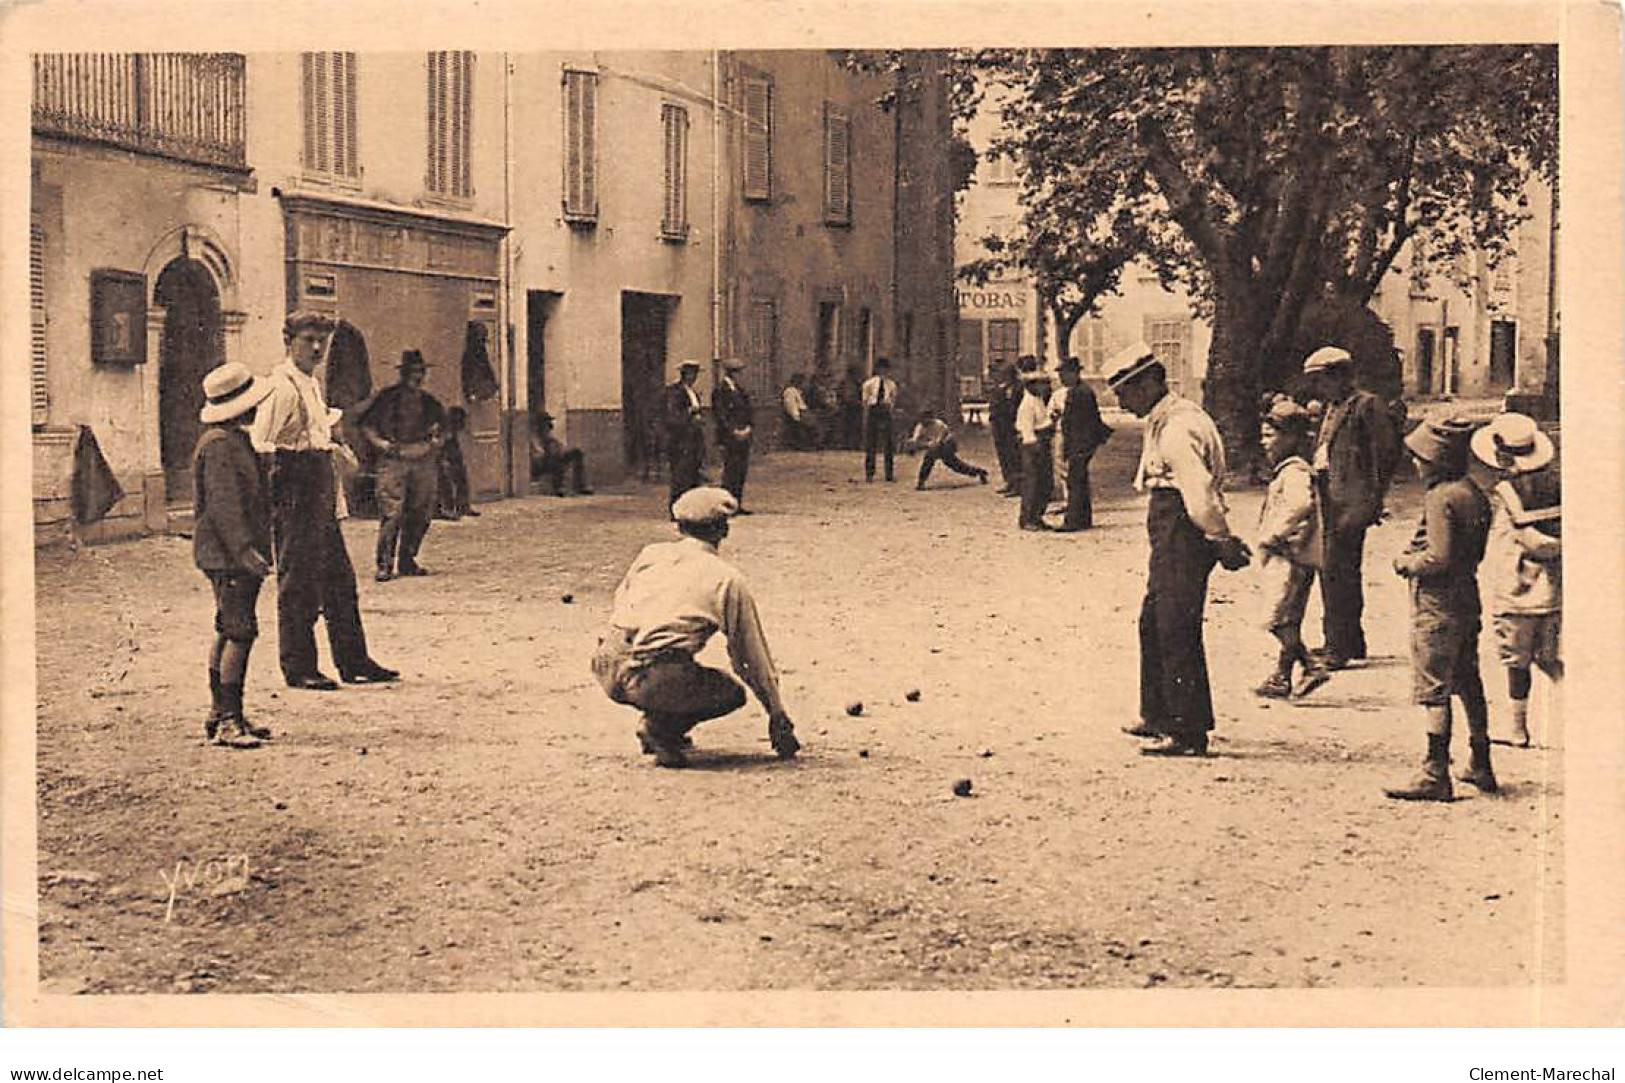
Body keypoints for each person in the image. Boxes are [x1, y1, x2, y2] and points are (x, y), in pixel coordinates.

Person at [1108, 342, 1251, 757]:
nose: (1122, 401)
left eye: (1127, 392)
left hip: (1183, 529)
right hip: (1170, 525)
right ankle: (1157, 713)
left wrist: (1218, 537)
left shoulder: (1178, 428)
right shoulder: (1166, 417)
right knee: (1152, 620)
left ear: (1152, 382)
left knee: (1176, 626)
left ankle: (1187, 730)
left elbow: (1198, 492)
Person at [591, 487, 801, 768]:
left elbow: (621, 602)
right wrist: (777, 715)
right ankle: (661, 728)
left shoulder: (651, 554)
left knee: (672, 662)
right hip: (653, 678)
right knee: (729, 692)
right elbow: (750, 658)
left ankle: (660, 720)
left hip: (606, 663)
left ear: (678, 527)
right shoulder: (726, 579)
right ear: (723, 530)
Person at [251, 311, 398, 691]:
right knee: (298, 581)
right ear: (289, 341)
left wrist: (334, 449)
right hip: (294, 486)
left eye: (322, 341)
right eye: (308, 340)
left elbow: (316, 432)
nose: (316, 348)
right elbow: (262, 445)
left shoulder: (311, 385)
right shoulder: (281, 387)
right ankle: (298, 666)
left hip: (319, 485)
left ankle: (353, 660)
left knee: (340, 580)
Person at [1385, 417, 1494, 801]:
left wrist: (1406, 564)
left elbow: (1438, 556)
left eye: (1420, 458)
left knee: (1433, 686)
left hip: (1438, 602)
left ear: (1436, 459)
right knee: (1468, 677)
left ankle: (1435, 771)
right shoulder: (1473, 493)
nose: (1415, 465)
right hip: (1468, 594)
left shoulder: (1440, 497)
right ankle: (1481, 760)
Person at [192, 362, 278, 749]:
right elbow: (225, 507)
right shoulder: (221, 447)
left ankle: (222, 712)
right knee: (240, 631)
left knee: (229, 627)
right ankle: (228, 720)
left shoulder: (232, 441)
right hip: (229, 555)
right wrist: (245, 551)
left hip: (230, 553)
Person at [1302, 345, 1402, 669]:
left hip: (1351, 501)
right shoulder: (1332, 407)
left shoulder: (1366, 406)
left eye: (1323, 379)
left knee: (1337, 571)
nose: (1320, 387)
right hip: (1328, 496)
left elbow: (1386, 452)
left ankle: (1338, 646)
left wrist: (1372, 497)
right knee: (1336, 570)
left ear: (1341, 376)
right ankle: (1348, 640)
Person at [1469, 413, 1561, 749]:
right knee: (1551, 657)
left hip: (1516, 586)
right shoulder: (1556, 485)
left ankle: (1518, 728)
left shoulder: (1506, 493)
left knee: (1516, 660)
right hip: (1553, 585)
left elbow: (1522, 537)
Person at [1253, 400, 1332, 699]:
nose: (1265, 443)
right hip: (1296, 555)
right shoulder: (1289, 470)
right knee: (1290, 615)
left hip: (1291, 555)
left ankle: (1310, 666)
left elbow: (1300, 505)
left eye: (1270, 436)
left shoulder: (1295, 472)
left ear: (1291, 438)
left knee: (1277, 617)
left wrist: (1275, 534)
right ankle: (1282, 676)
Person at [359, 350, 446, 581]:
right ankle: (385, 564)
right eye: (413, 372)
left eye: (421, 372)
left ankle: (407, 560)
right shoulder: (386, 399)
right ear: (403, 373)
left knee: (421, 513)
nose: (417, 376)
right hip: (394, 460)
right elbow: (367, 426)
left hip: (422, 460)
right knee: (392, 513)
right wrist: (382, 444)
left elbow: (444, 428)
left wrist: (436, 442)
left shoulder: (429, 402)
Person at [1055, 356, 1113, 531]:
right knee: (1079, 479)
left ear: (1074, 373)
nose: (1061, 378)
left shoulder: (1078, 393)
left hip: (1080, 442)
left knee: (1075, 481)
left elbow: (1081, 423)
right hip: (1081, 442)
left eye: (1064, 374)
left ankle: (1073, 521)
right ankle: (1083, 519)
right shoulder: (1082, 390)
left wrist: (1077, 447)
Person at [1014, 364, 1056, 531]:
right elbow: (1027, 431)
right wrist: (1035, 446)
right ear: (1031, 385)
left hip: (1041, 442)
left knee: (1045, 483)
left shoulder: (1038, 401)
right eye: (1041, 384)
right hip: (1032, 447)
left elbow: (1043, 422)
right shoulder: (1027, 405)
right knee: (1033, 482)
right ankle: (1028, 518)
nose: (1045, 387)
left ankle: (1037, 516)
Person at [906, 408, 989, 489]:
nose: (924, 422)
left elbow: (938, 441)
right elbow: (915, 439)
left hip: (946, 444)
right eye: (923, 420)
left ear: (931, 419)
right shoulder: (920, 426)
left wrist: (925, 445)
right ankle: (921, 481)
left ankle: (979, 472)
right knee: (928, 459)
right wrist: (913, 445)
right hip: (934, 445)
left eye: (926, 420)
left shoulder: (939, 425)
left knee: (955, 465)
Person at [712, 357, 755, 513]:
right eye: (738, 372)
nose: (741, 375)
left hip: (743, 434)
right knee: (730, 470)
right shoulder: (720, 391)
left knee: (741, 470)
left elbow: (748, 411)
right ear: (732, 373)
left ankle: (737, 502)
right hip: (730, 437)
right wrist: (733, 431)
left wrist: (748, 428)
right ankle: (727, 504)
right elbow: (721, 415)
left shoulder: (740, 390)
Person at [664, 360, 707, 512]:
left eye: (695, 374)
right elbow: (673, 417)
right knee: (680, 477)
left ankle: (690, 509)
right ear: (685, 375)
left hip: (694, 439)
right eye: (691, 374)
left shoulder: (693, 391)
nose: (694, 377)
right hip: (680, 440)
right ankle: (676, 509)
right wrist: (690, 413)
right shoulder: (675, 392)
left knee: (693, 476)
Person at [530, 410, 592, 497]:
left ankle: (582, 485)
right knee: (556, 461)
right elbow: (538, 453)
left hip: (551, 458)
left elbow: (558, 446)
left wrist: (560, 450)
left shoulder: (549, 436)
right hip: (540, 463)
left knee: (577, 453)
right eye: (546, 423)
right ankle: (559, 488)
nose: (548, 426)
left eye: (549, 423)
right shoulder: (534, 438)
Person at [435, 406, 479, 520]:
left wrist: (458, 464)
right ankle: (446, 509)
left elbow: (455, 452)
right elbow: (437, 448)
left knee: (461, 477)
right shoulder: (441, 430)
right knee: (444, 480)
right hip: (437, 460)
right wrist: (443, 461)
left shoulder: (452, 433)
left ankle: (463, 506)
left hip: (450, 456)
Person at [987, 360, 1023, 497]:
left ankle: (1017, 485)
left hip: (1010, 427)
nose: (999, 376)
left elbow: (1016, 408)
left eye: (1003, 373)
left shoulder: (1018, 388)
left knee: (1013, 456)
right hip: (999, 426)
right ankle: (1008, 481)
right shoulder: (999, 387)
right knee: (1003, 455)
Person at [860, 358, 900, 482]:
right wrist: (867, 414)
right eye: (881, 369)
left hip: (885, 410)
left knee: (888, 444)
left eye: (886, 369)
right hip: (873, 410)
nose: (884, 371)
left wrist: (889, 410)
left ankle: (889, 474)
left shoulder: (892, 385)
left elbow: (893, 400)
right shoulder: (869, 384)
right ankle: (869, 473)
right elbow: (865, 400)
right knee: (871, 443)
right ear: (877, 369)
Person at [780, 374, 818, 450]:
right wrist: (796, 416)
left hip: (803, 413)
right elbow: (791, 405)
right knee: (803, 428)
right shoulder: (790, 391)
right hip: (797, 415)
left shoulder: (798, 391)